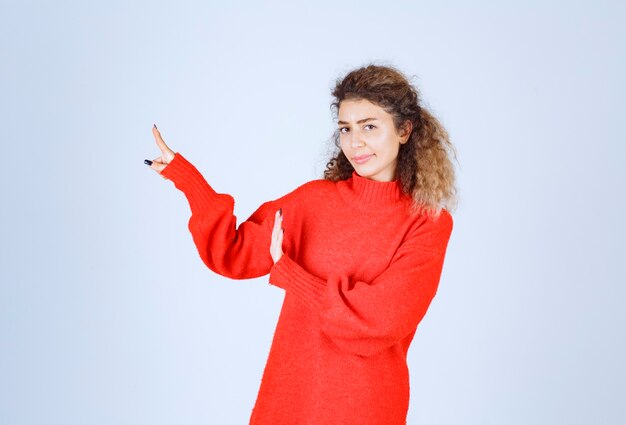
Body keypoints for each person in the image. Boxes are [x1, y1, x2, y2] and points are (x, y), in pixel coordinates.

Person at [145, 63, 458, 425]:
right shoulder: (312, 203)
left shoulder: (427, 223)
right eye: (346, 129)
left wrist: (292, 276)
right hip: (289, 400)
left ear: (404, 130)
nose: (355, 142)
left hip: (367, 409)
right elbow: (230, 253)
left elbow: (379, 321)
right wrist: (188, 181)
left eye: (369, 126)